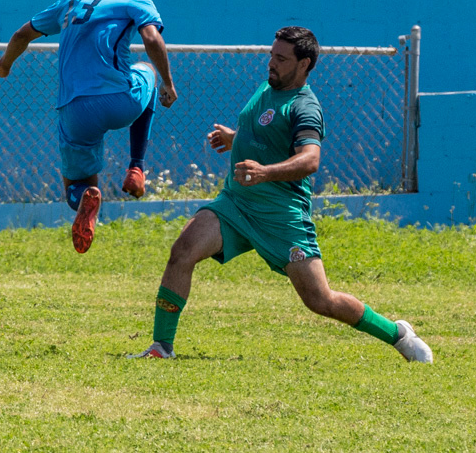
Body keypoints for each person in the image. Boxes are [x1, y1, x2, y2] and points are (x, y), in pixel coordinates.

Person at [128, 26, 433, 363]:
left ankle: (398, 334)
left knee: (320, 300)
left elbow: (310, 159)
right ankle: (162, 347)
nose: (271, 63)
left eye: (281, 59)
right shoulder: (268, 87)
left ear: (304, 64)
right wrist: (235, 139)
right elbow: (265, 133)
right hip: (236, 203)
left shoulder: (305, 107)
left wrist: (265, 172)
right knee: (182, 251)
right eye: (272, 55)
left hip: (280, 216)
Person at [0, 0, 178, 254]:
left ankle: (84, 196)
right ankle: (136, 167)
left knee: (78, 182)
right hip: (119, 100)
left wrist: (4, 64)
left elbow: (21, 34)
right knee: (148, 71)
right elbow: (152, 38)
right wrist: (168, 83)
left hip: (74, 109)